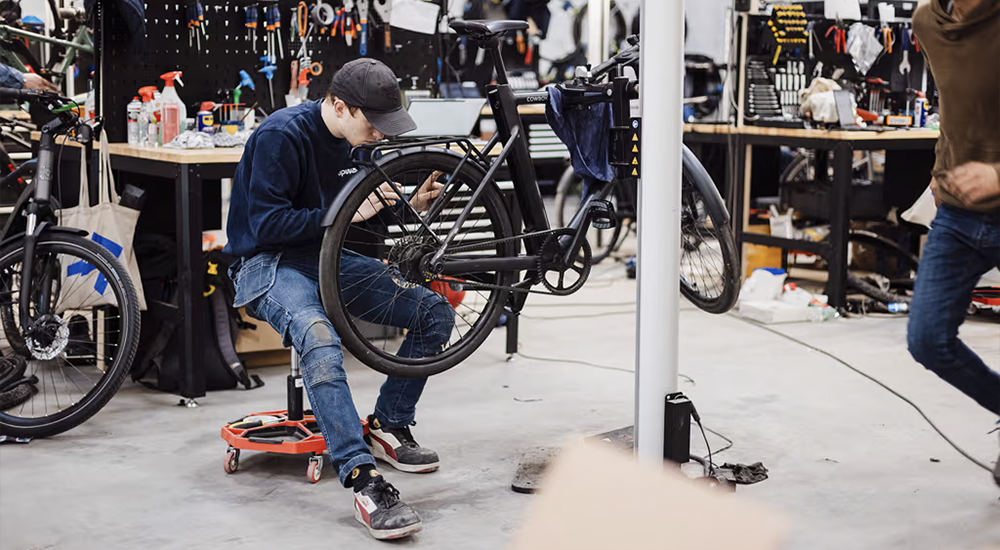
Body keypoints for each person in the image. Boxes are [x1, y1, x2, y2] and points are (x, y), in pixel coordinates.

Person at [224, 58, 452, 539]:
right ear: (339, 106)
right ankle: (363, 479)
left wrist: (406, 204)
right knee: (320, 340)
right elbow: (266, 226)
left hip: (329, 258)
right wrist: (343, 211)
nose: (379, 134)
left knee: (434, 312)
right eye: (373, 122)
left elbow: (357, 214)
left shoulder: (359, 141)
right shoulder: (280, 135)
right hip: (266, 263)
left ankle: (390, 423)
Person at [908, 0, 1000, 487]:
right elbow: (958, 111)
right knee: (928, 341)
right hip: (958, 213)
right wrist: (940, 172)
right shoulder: (928, 22)